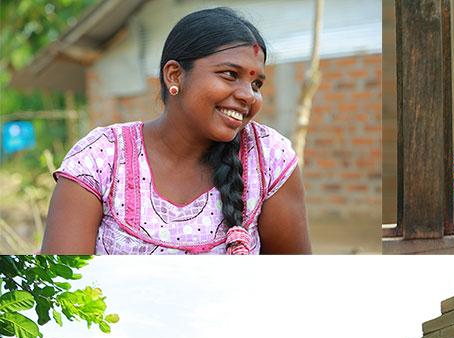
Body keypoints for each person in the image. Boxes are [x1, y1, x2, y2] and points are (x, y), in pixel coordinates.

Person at [41, 7, 311, 255]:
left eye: (256, 84)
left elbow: (292, 283)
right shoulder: (101, 157)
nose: (248, 96)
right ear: (174, 75)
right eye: (230, 74)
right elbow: (62, 286)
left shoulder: (269, 159)